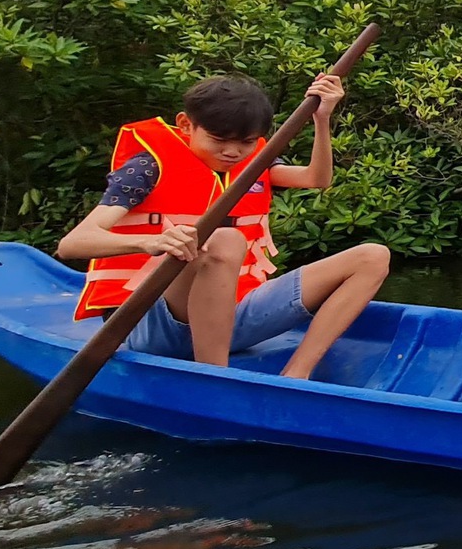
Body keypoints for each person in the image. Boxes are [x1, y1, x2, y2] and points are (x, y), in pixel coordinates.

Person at [56, 73, 390, 378]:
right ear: (186, 125)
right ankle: (215, 377)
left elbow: (316, 178)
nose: (232, 152)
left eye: (245, 142)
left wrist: (322, 118)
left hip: (231, 320)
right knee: (225, 239)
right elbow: (73, 244)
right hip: (152, 325)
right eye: (219, 140)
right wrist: (150, 242)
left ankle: (296, 374)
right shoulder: (146, 167)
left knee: (372, 256)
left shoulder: (254, 161)